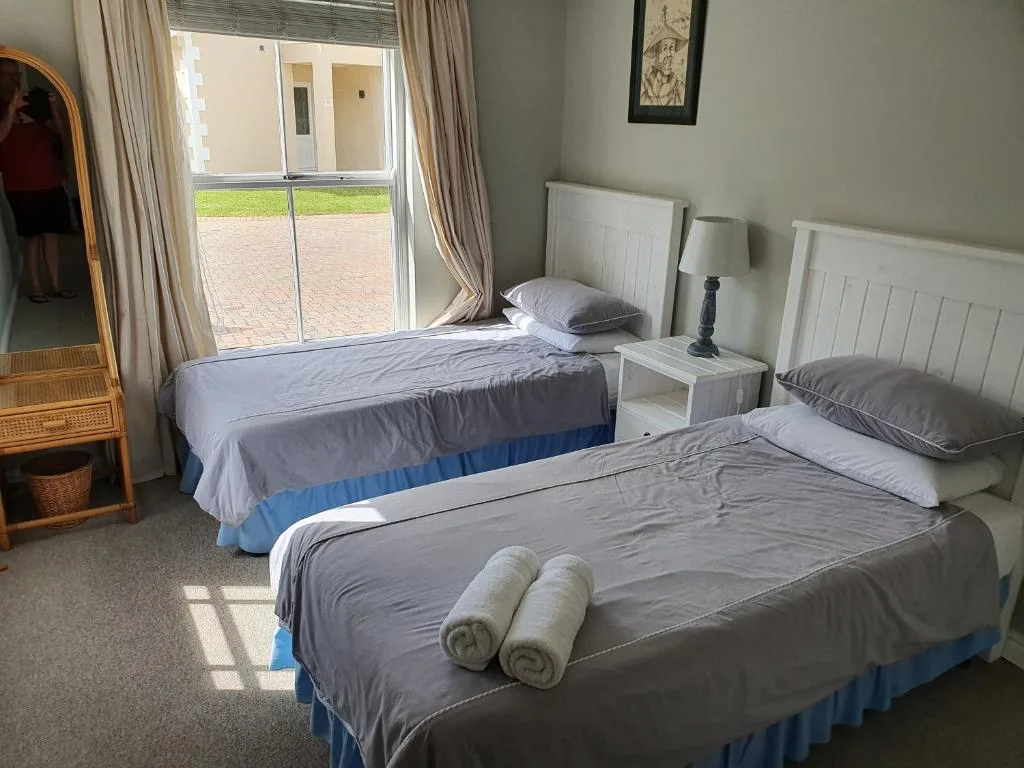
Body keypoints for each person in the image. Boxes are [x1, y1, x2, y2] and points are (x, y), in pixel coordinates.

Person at [0, 58, 76, 303]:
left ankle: (55, 284)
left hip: (50, 179)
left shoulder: (37, 101)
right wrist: (12, 110)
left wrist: (53, 109)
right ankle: (35, 287)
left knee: (52, 235)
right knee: (31, 239)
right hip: (19, 184)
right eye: (9, 75)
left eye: (17, 74)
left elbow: (62, 134)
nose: (15, 79)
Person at [641, 7, 687, 107]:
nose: (669, 54)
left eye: (672, 48)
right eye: (665, 48)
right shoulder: (643, 86)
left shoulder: (680, 88)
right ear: (655, 53)